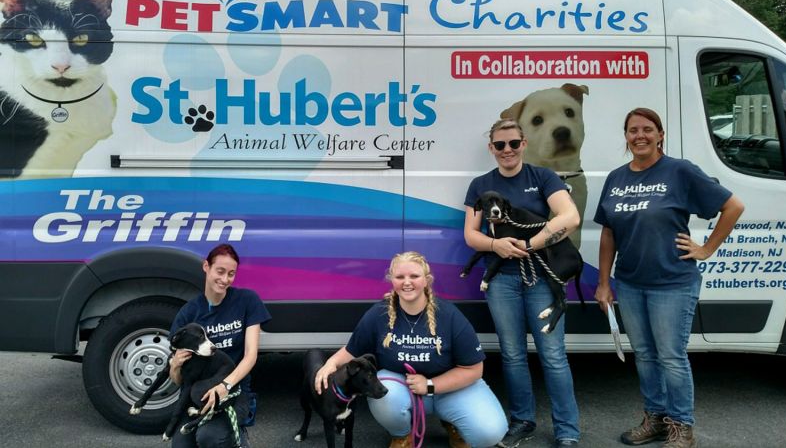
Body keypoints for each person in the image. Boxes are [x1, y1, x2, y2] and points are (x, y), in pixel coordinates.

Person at [593, 108, 744, 448]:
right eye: (633, 130)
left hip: (672, 283)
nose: (640, 135)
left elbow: (733, 206)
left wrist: (706, 248)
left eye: (648, 129)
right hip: (630, 283)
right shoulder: (616, 178)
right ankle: (655, 419)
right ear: (626, 136)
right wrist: (604, 283)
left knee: (671, 357)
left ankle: (681, 427)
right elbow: (608, 233)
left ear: (660, 135)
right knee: (645, 355)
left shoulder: (679, 171)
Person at [464, 118, 582, 448]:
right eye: (500, 145)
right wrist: (495, 245)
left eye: (513, 143)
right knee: (513, 355)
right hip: (502, 279)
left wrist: (530, 245)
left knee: (553, 355)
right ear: (491, 148)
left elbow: (569, 218)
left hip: (542, 278)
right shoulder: (480, 184)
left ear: (523, 144)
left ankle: (567, 429)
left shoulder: (542, 177)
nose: (507, 150)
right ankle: (522, 420)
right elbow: (471, 235)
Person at [314, 251, 507, 448]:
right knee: (383, 395)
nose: (407, 282)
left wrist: (430, 385)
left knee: (490, 433)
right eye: (400, 277)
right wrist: (330, 363)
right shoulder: (378, 313)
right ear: (391, 281)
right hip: (404, 387)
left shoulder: (449, 315)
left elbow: (474, 369)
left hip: (450, 389)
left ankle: (453, 422)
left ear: (427, 280)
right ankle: (402, 435)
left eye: (414, 276)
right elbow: (352, 350)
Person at [169, 243, 271, 448]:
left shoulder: (247, 301)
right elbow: (179, 381)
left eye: (231, 274)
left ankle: (237, 436)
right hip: (196, 396)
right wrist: (175, 366)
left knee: (209, 437)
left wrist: (225, 386)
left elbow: (251, 355)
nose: (225, 280)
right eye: (220, 271)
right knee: (181, 444)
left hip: (234, 391)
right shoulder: (188, 314)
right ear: (206, 266)